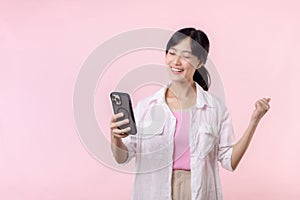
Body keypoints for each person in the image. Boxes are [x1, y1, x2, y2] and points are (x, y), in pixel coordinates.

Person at [110, 27, 271, 200]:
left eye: (185, 56)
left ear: (200, 62)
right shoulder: (146, 107)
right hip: (154, 190)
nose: (176, 61)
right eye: (171, 53)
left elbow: (229, 161)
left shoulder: (215, 108)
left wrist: (254, 122)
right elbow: (122, 158)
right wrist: (115, 137)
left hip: (196, 191)